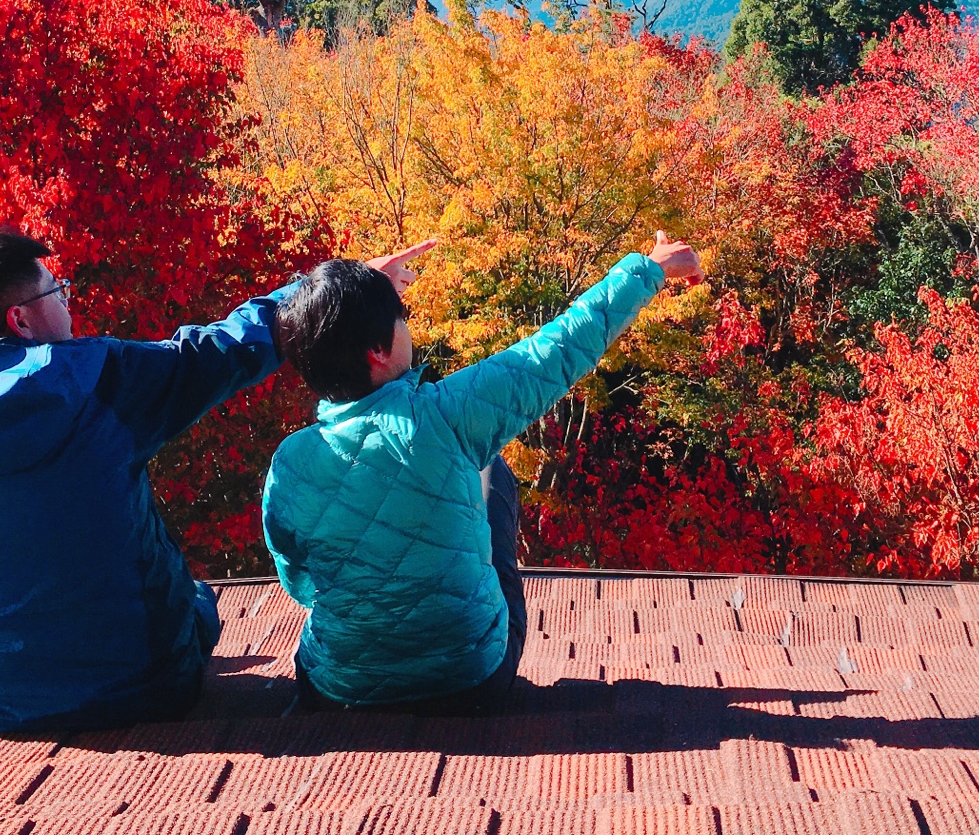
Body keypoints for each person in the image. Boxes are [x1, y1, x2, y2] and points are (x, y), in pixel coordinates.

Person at [0, 224, 431, 734]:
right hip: (143, 688)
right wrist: (341, 290)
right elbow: (220, 351)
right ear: (20, 321)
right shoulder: (95, 380)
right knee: (198, 604)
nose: (68, 301)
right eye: (56, 291)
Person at [262, 231, 703, 713]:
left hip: (339, 686)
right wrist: (650, 267)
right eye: (401, 320)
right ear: (379, 351)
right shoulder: (448, 415)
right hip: (469, 676)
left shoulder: (289, 462)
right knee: (490, 470)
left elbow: (300, 581)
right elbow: (554, 350)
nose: (409, 328)